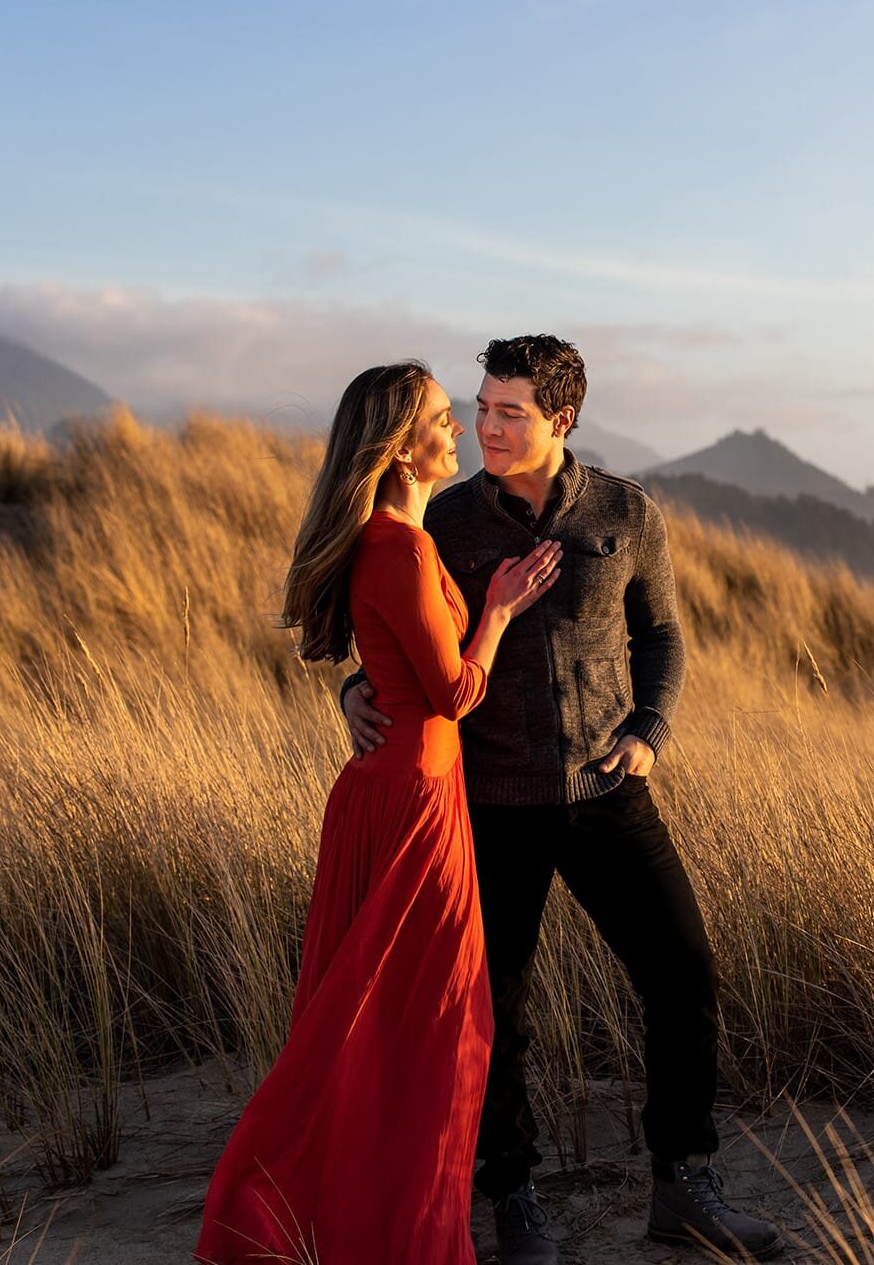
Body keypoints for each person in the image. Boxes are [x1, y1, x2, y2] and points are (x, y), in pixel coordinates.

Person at [342, 336, 782, 1263]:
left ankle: (684, 1185)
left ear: (561, 419)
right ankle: (514, 1197)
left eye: (509, 412)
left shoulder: (626, 512)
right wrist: (353, 692)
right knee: (495, 1005)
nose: (485, 426)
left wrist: (650, 730)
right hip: (488, 801)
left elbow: (662, 635)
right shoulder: (444, 520)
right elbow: (392, 628)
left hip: (605, 791)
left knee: (683, 969)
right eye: (481, 405)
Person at [195, 360, 561, 1265]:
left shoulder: (401, 541)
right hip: (412, 807)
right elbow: (451, 687)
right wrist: (503, 611)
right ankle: (357, 1224)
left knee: (391, 1030)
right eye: (444, 418)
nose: (460, 431)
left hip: (403, 794)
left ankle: (376, 1222)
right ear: (402, 447)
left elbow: (398, 672)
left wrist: (365, 686)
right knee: (429, 1029)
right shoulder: (397, 547)